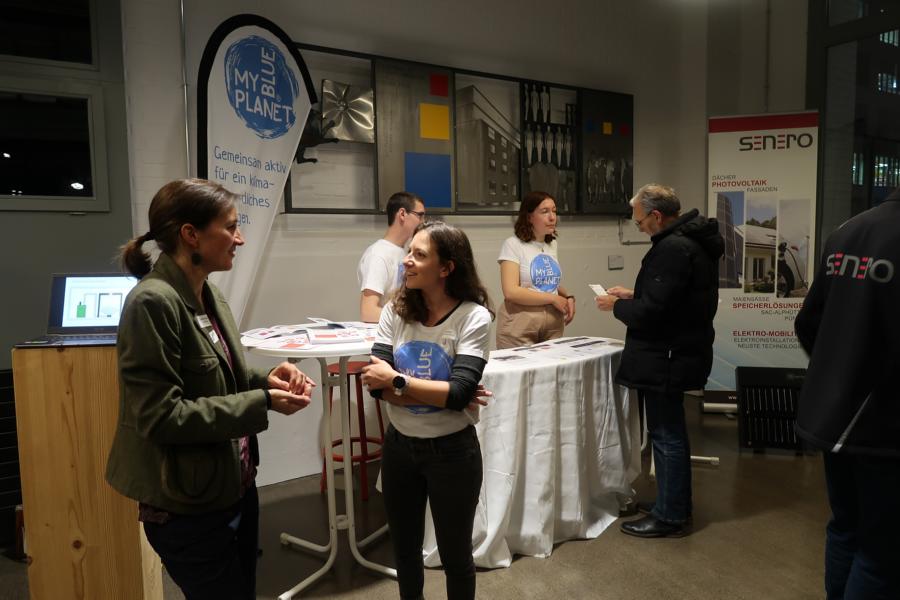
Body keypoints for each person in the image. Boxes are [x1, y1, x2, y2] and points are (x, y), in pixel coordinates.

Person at [105, 179, 316, 599]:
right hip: (187, 506)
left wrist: (266, 379)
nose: (240, 239)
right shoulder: (152, 303)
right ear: (191, 234)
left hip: (233, 486)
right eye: (231, 227)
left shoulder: (209, 294)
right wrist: (262, 401)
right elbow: (160, 416)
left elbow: (215, 374)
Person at [360, 220, 493, 600]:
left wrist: (399, 382)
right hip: (399, 448)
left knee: (455, 557)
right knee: (404, 552)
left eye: (419, 255)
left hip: (452, 453)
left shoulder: (473, 317)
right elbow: (376, 385)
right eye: (409, 252)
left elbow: (457, 393)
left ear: (446, 267)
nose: (407, 261)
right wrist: (441, 393)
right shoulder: (395, 310)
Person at [595, 183, 722, 538]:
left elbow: (653, 312)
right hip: (682, 350)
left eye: (639, 222)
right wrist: (634, 293)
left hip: (667, 355)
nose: (639, 227)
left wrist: (616, 306)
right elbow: (676, 298)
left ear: (656, 216)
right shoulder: (693, 242)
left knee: (666, 436)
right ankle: (674, 503)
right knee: (671, 433)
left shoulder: (672, 248)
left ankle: (670, 515)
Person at [794, 188, 900, 599]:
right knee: (882, 550)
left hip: (832, 413)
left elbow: (808, 323)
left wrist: (839, 373)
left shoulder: (846, 232)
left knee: (845, 527)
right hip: (883, 423)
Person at [496, 191, 574, 349]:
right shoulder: (513, 244)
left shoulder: (552, 244)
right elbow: (511, 292)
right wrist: (553, 299)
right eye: (545, 212)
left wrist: (568, 297)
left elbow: (544, 283)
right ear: (529, 217)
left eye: (554, 211)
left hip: (552, 323)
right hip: (520, 325)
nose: (552, 217)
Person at [359, 191, 426, 323]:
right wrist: (418, 318)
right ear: (402, 214)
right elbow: (368, 312)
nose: (423, 222)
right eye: (420, 215)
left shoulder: (405, 252)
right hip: (385, 333)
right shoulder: (378, 254)